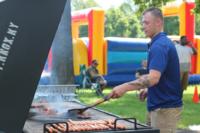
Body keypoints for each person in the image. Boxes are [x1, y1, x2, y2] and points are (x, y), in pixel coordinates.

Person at [108, 7, 182, 133]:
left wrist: (124, 87)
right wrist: (149, 89)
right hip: (157, 106)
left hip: (164, 110)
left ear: (158, 22)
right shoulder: (160, 43)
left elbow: (153, 78)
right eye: (142, 22)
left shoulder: (159, 45)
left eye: (146, 23)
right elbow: (164, 75)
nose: (143, 26)